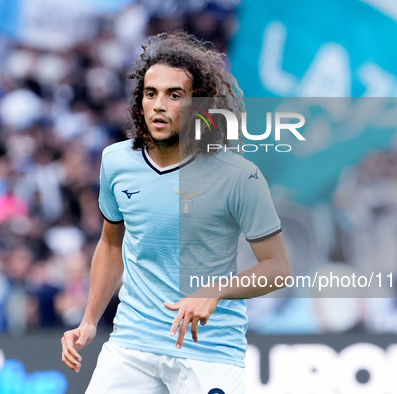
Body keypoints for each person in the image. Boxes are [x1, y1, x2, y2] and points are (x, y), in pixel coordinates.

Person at [60, 32, 291, 394]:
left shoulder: (239, 176)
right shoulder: (116, 162)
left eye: (174, 95)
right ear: (139, 102)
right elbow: (110, 244)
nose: (159, 104)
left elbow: (277, 269)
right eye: (151, 93)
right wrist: (89, 320)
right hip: (131, 345)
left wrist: (215, 291)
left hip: (209, 351)